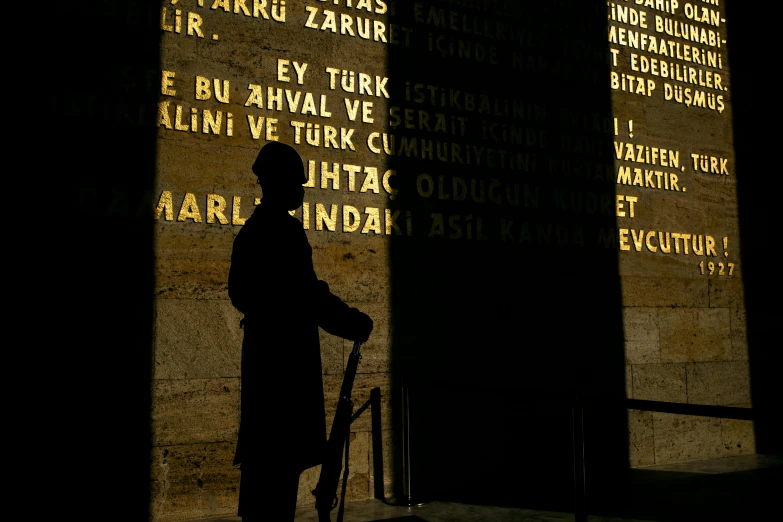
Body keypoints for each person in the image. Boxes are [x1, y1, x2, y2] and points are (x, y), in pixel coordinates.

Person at [228, 141, 373, 521]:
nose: (303, 190)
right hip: (283, 373)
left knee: (265, 478)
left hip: (265, 370)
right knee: (276, 486)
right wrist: (353, 321)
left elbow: (242, 294)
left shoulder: (252, 231)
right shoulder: (283, 232)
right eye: (297, 181)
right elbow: (310, 296)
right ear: (279, 182)